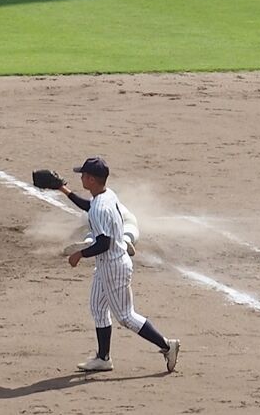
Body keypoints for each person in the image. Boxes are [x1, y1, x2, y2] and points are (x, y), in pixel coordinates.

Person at [58, 156, 180, 373]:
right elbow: (88, 206)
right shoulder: (106, 195)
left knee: (125, 316)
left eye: (83, 175)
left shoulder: (101, 208)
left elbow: (103, 243)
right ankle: (103, 358)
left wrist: (79, 254)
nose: (81, 177)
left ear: (92, 179)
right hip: (106, 265)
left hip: (114, 267)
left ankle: (167, 345)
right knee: (98, 308)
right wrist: (63, 189)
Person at [63, 200, 139, 257]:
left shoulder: (93, 203)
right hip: (121, 214)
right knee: (130, 224)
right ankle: (126, 239)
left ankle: (89, 240)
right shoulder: (116, 202)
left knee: (90, 228)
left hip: (90, 215)